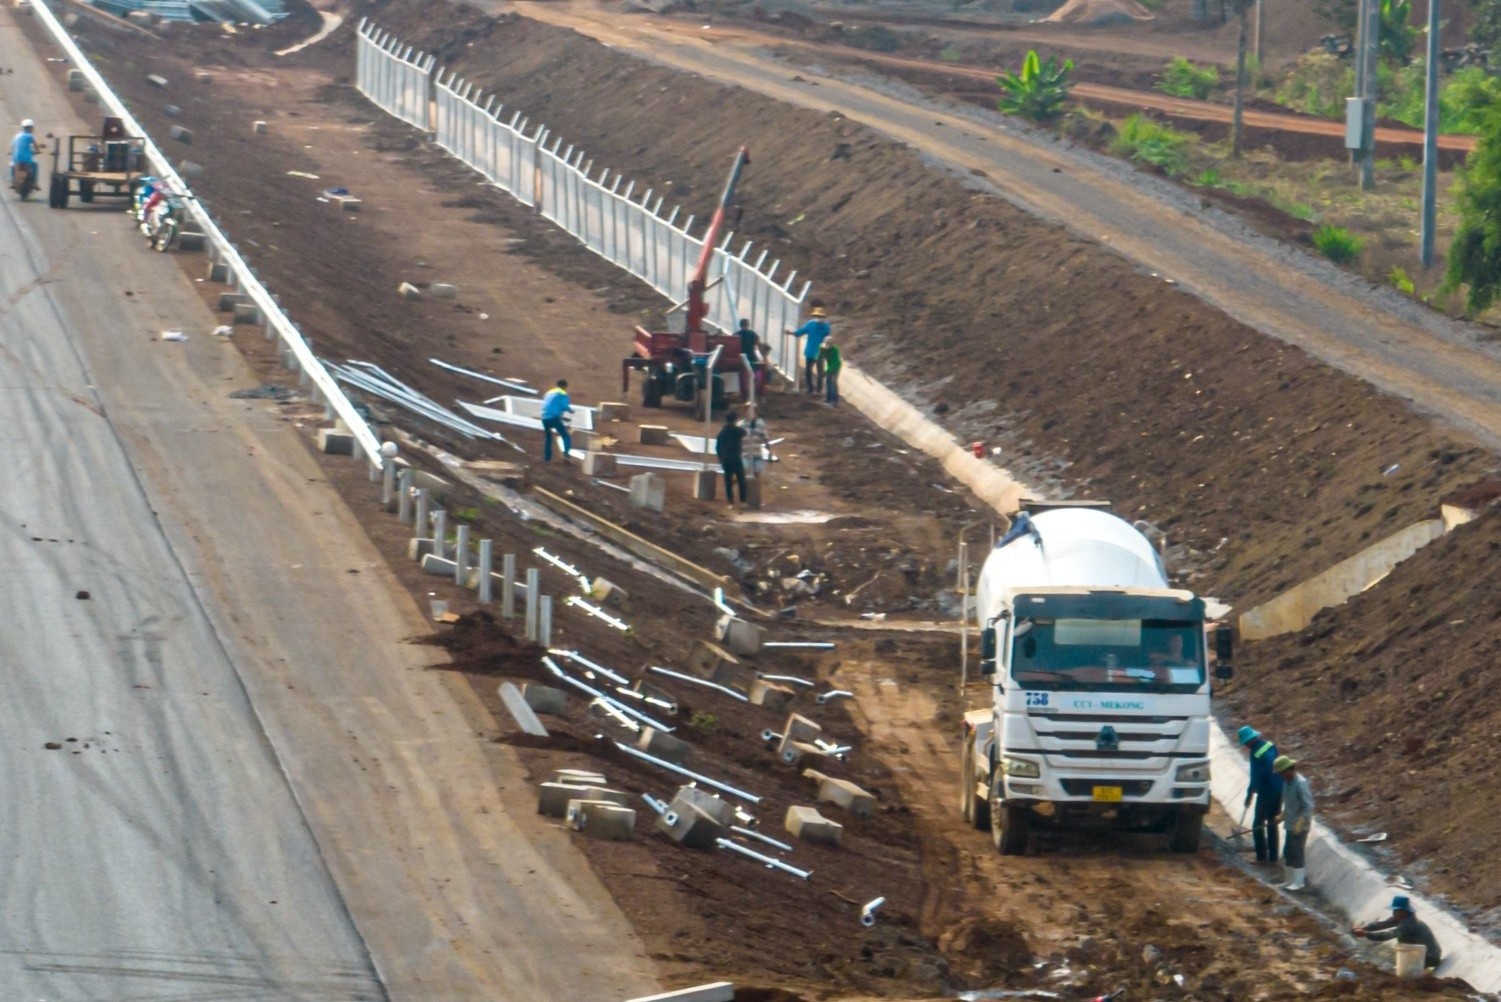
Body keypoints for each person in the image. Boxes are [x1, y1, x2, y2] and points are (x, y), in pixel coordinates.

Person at [1353, 895, 1442, 972]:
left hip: (1430, 956)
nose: (1393, 913)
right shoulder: (1403, 918)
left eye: (1395, 911)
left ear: (1403, 911)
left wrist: (1366, 934)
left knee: (1404, 972)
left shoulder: (1409, 924)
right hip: (1422, 954)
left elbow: (1387, 935)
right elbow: (1381, 924)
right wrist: (1364, 928)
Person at [1238, 725, 1285, 866]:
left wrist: (1249, 795)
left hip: (1266, 791)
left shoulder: (1256, 753)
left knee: (1257, 823)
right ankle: (1273, 857)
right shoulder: (1270, 745)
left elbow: (1256, 777)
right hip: (1279, 788)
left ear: (1250, 740)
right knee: (1272, 822)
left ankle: (1261, 856)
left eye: (1246, 743)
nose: (1246, 746)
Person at [1274, 755, 1314, 891]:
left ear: (1288, 770)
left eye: (1282, 773)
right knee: (1288, 852)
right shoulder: (1287, 783)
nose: (1281, 776)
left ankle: (1298, 882)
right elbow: (1289, 803)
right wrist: (1282, 815)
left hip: (1300, 826)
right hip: (1290, 824)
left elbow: (1308, 806)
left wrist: (1301, 821)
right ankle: (1289, 880)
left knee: (1297, 852)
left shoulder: (1300, 783)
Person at [787, 306, 831, 395]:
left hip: (811, 352)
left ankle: (810, 389)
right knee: (820, 372)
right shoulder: (826, 326)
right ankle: (818, 390)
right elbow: (827, 339)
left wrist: (791, 333)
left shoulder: (810, 324)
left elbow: (800, 332)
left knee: (808, 371)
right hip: (820, 352)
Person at [715, 411, 747, 506]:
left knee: (728, 481)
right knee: (741, 479)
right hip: (736, 458)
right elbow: (744, 432)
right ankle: (742, 500)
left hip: (726, 459)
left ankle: (730, 502)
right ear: (735, 420)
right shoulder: (737, 431)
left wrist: (721, 459)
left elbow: (717, 447)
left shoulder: (722, 433)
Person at [540, 379, 573, 464]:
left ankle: (547, 458)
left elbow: (550, 405)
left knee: (548, 438)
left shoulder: (549, 392)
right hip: (554, 418)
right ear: (565, 386)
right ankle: (566, 455)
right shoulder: (563, 393)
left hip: (544, 417)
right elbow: (564, 406)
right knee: (565, 436)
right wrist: (570, 410)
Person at [742, 404, 771, 479]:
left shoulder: (760, 423)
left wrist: (769, 448)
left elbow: (765, 437)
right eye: (748, 410)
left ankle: (754, 487)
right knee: (746, 472)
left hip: (757, 453)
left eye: (753, 411)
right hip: (745, 453)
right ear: (745, 412)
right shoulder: (741, 425)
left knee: (757, 472)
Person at [10, 119, 38, 185]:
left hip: (16, 159)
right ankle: (35, 183)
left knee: (11, 166)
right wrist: (38, 151)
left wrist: (12, 152)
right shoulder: (30, 136)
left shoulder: (16, 136)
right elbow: (36, 146)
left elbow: (13, 147)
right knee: (35, 165)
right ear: (31, 128)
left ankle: (13, 182)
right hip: (27, 159)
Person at [819, 334, 842, 406]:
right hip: (829, 365)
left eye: (828, 345)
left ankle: (834, 401)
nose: (827, 347)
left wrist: (826, 371)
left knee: (833, 382)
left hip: (836, 366)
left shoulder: (835, 350)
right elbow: (820, 357)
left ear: (831, 344)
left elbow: (834, 363)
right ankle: (828, 399)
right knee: (828, 381)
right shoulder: (822, 347)